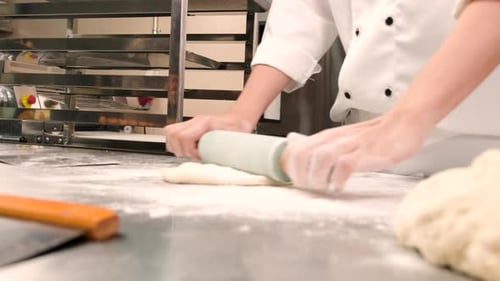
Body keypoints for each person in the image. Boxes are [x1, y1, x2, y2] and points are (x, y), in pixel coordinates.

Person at [165, 0, 500, 191]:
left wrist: (409, 119)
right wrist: (242, 114)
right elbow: (304, 12)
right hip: (361, 165)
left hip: (481, 158)